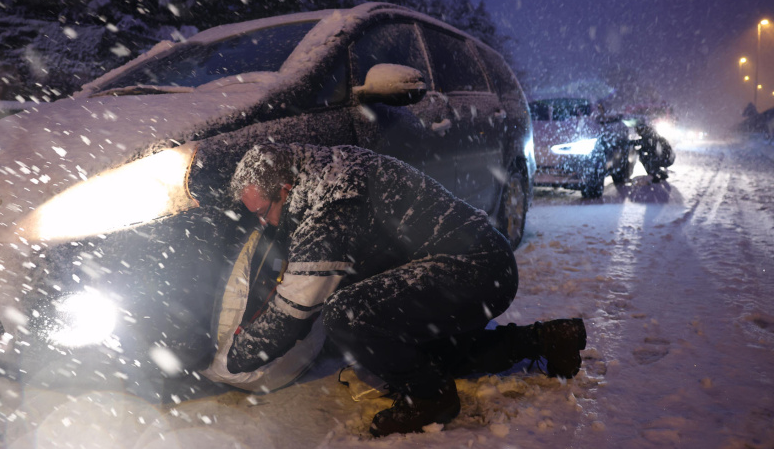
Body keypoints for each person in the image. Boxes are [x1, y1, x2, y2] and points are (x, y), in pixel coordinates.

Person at [205, 143, 587, 437]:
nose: (262, 221)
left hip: (472, 269)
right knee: (431, 356)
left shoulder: (329, 210)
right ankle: (549, 339)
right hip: (483, 259)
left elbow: (291, 314)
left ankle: (430, 399)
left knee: (347, 315)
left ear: (285, 189)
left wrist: (226, 362)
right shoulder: (326, 166)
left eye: (262, 210)